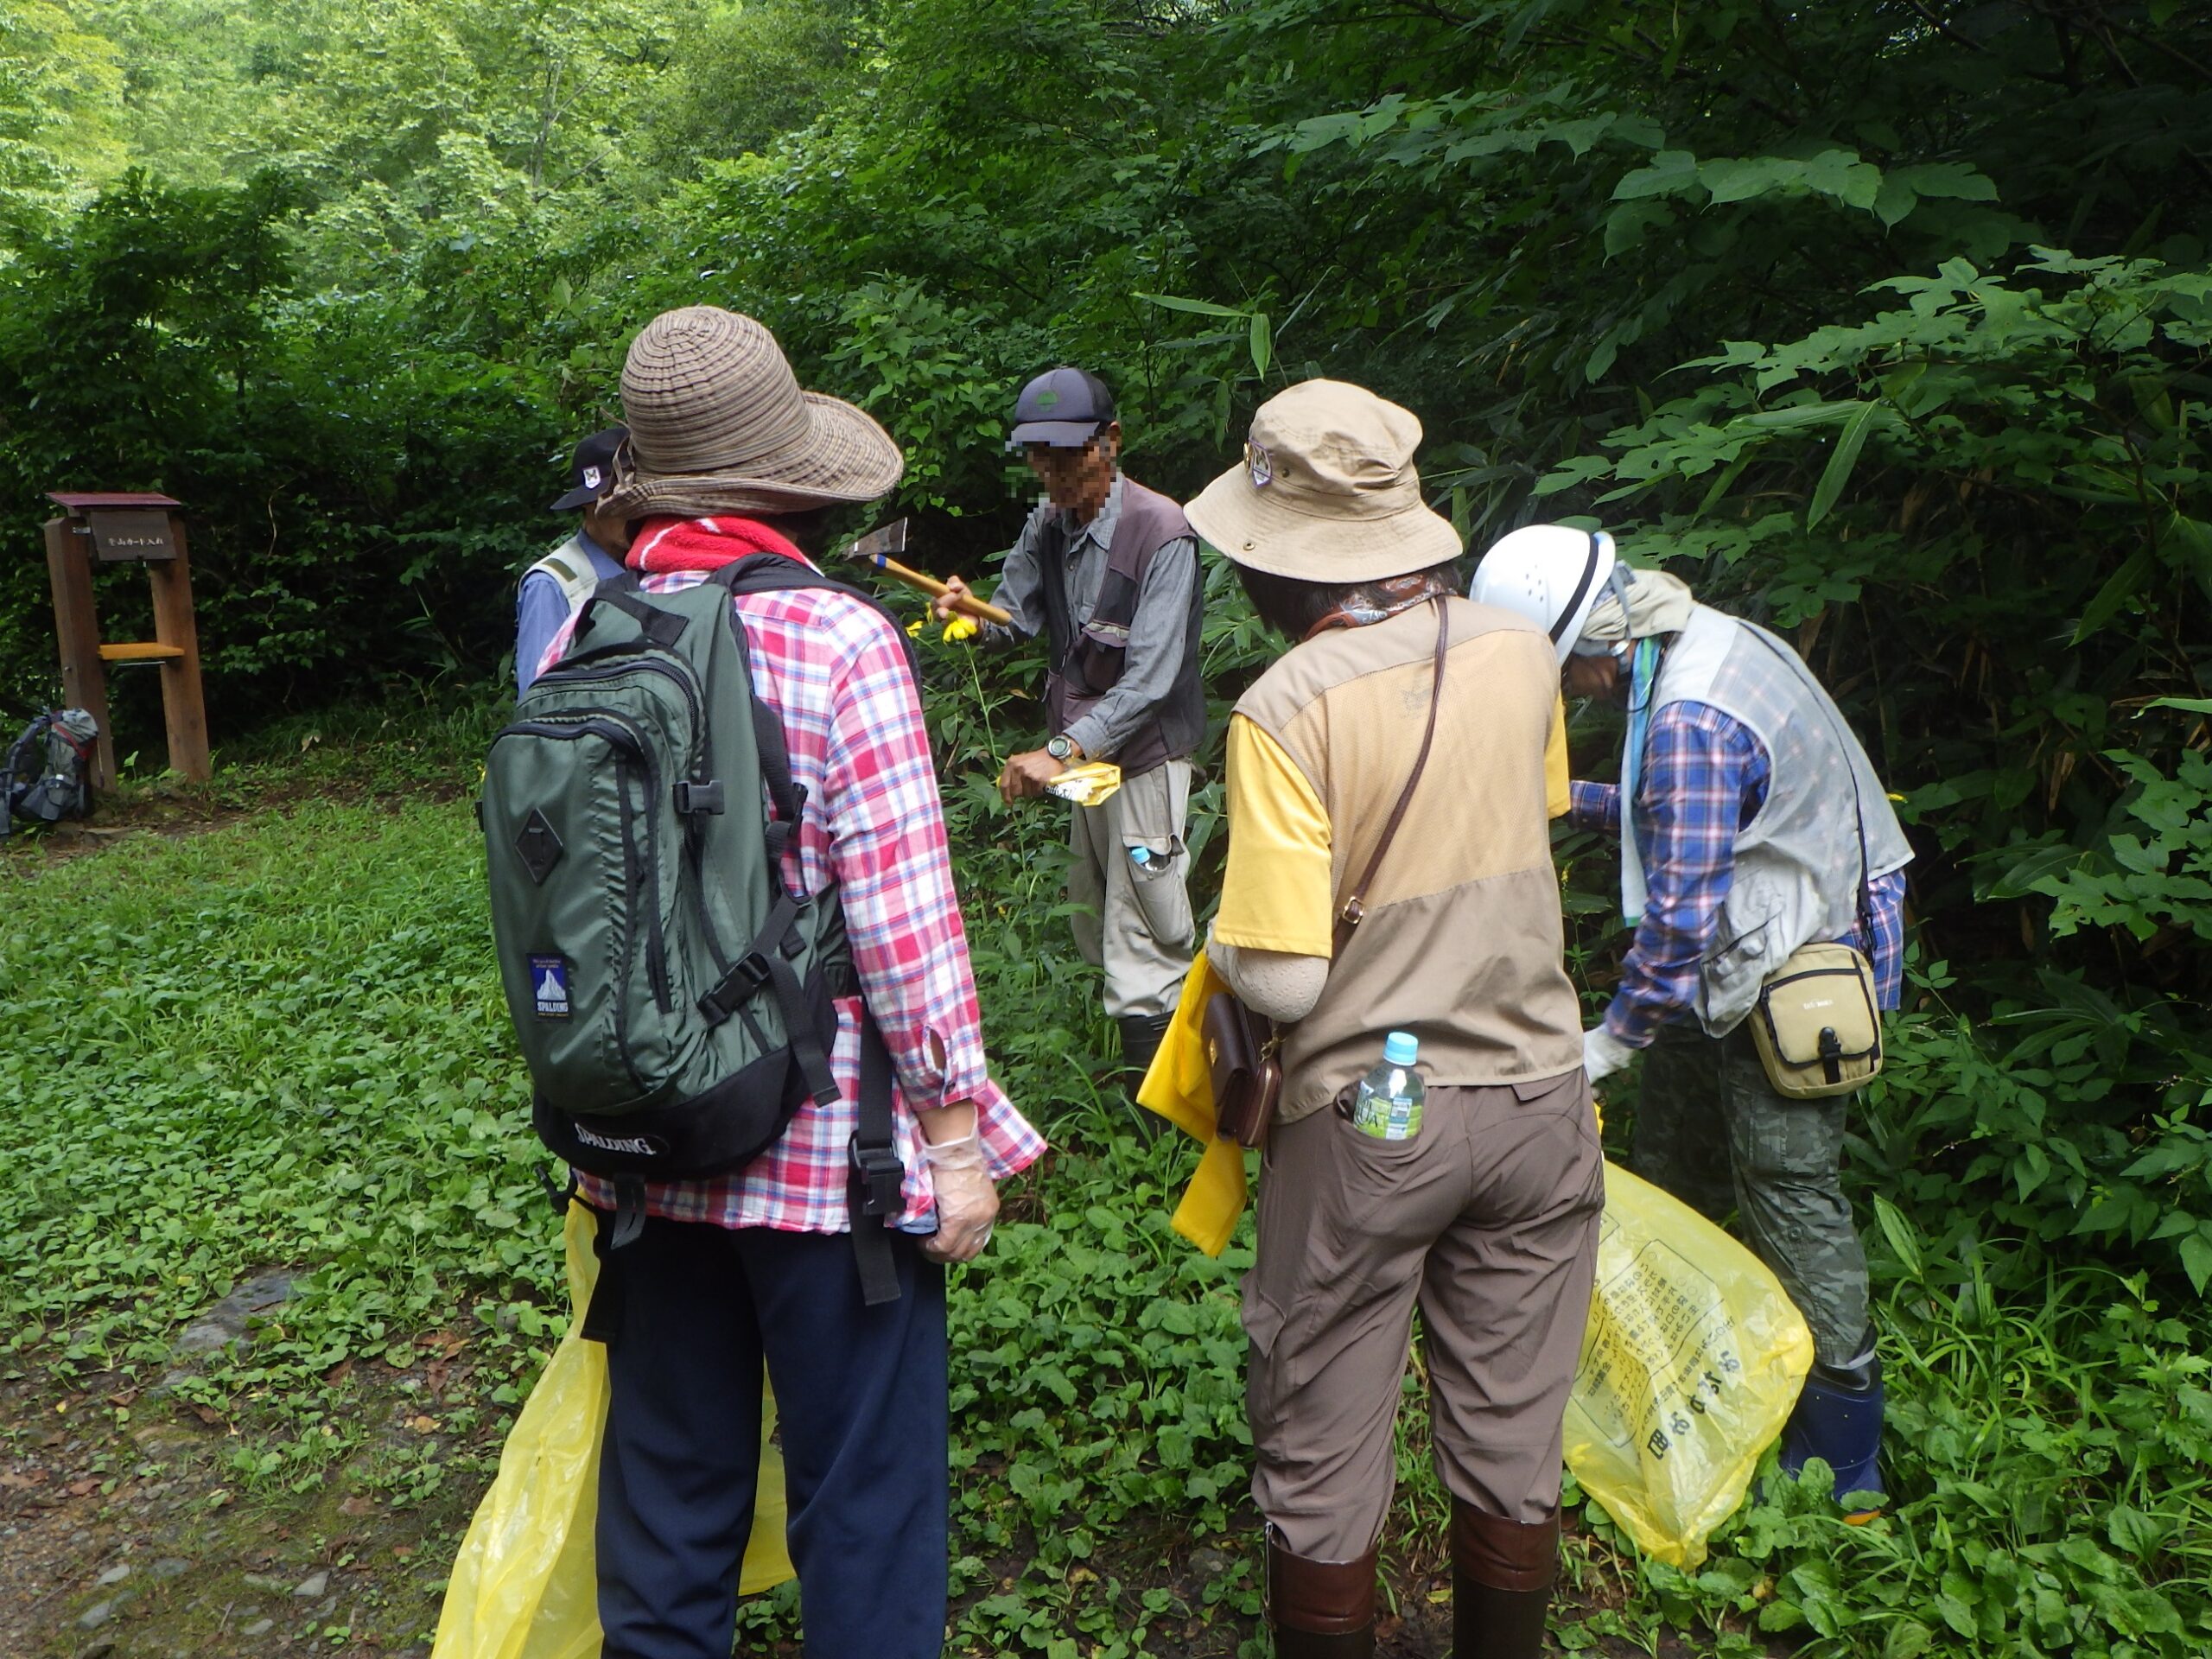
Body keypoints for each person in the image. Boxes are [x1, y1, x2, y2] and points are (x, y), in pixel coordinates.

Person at [537, 307, 1045, 1659]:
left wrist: (599, 1138)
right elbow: (903, 920)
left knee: (668, 1510)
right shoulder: (842, 640)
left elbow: (567, 914)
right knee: (863, 1508)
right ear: (784, 483)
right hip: (834, 1169)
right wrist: (957, 1134)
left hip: (648, 1149)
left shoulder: (581, 634)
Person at [1184, 381, 1604, 1659]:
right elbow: (1521, 827)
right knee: (1515, 1430)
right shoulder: (1521, 652)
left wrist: (1212, 939)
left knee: (1319, 1435)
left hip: (1373, 1121)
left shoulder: (1284, 708)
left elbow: (1289, 982)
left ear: (1279, 565)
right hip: (1540, 1097)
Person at [1470, 523, 1913, 1510]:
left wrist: (1608, 1043)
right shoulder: (1696, 635)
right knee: (1671, 1156)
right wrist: (1557, 798)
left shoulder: (1686, 718)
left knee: (1786, 1183)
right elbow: (1682, 808)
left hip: (1798, 959)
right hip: (1759, 923)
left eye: (1552, 669)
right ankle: (1690, 1366)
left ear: (1586, 642)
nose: (1560, 692)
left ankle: (1845, 1450)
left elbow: (1676, 921)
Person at [934, 367, 1205, 1090]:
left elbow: (1150, 681)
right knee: (1095, 899)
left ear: (1109, 442)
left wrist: (1058, 751)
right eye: (1037, 455)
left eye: (1066, 453)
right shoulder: (1048, 524)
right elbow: (1013, 621)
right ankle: (1133, 1072)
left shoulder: (1163, 532)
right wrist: (965, 614)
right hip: (1082, 750)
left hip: (1142, 752)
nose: (1049, 471)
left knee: (1147, 917)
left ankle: (1161, 1117)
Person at [515, 425, 634, 695]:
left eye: (636, 501)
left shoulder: (653, 571)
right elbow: (537, 697)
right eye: (615, 502)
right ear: (587, 504)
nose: (632, 514)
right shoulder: (553, 583)